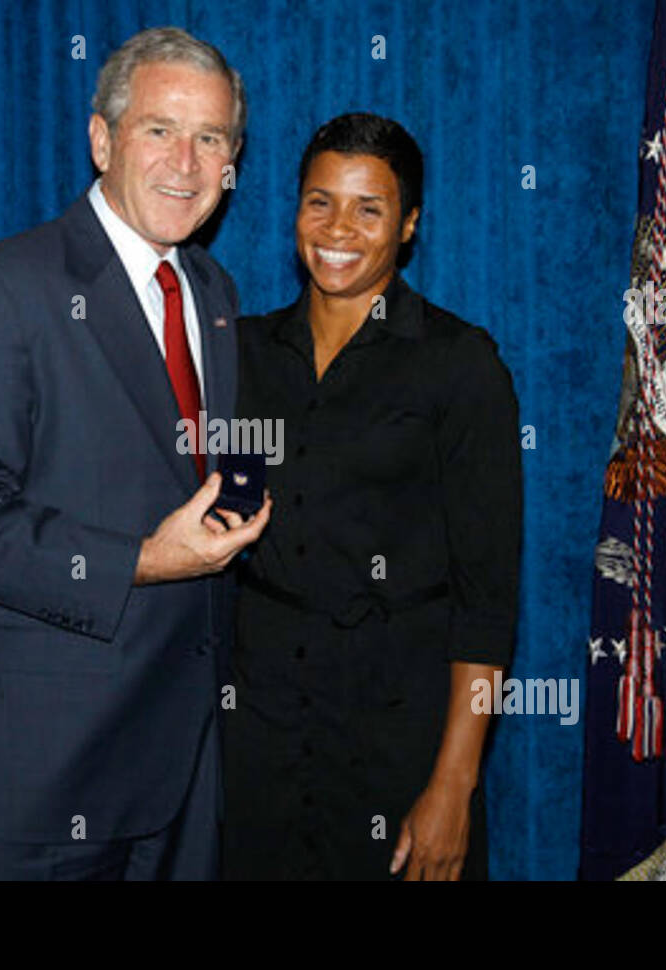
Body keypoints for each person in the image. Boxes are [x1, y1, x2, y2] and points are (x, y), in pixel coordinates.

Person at [0, 27, 270, 881]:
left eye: (211, 138)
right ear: (101, 139)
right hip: (45, 781)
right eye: (158, 129)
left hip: (185, 776)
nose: (186, 161)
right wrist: (142, 561)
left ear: (233, 160)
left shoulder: (212, 292)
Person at [223, 113, 523, 881]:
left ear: (410, 223)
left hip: (399, 742)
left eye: (370, 208)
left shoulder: (460, 365)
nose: (339, 228)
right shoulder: (240, 354)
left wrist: (453, 786)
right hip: (256, 743)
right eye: (320, 201)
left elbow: (486, 605)